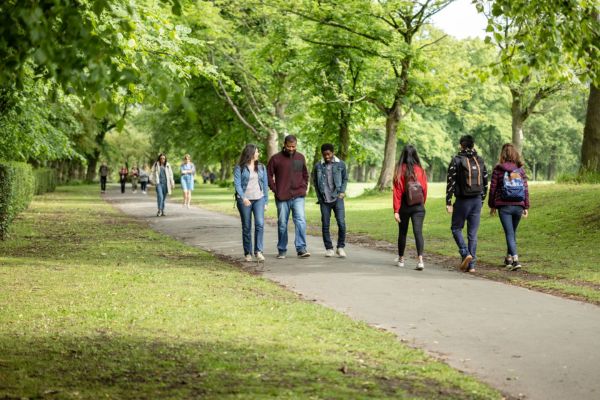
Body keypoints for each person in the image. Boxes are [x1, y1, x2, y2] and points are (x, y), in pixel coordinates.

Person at [445, 135, 488, 273]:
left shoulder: (456, 160)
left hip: (462, 201)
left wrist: (448, 201)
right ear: (473, 145)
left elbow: (450, 181)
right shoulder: (480, 160)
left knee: (456, 228)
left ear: (461, 145)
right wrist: (481, 202)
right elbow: (485, 183)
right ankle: (472, 266)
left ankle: (465, 253)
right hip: (476, 200)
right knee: (472, 234)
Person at [488, 143, 530, 271]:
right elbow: (525, 189)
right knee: (511, 233)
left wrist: (492, 205)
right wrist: (526, 206)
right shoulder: (520, 170)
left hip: (504, 206)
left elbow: (493, 188)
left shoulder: (498, 170)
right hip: (518, 205)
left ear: (502, 155)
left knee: (509, 233)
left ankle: (516, 260)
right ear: (515, 154)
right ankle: (509, 258)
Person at [267, 135, 310, 258]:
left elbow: (304, 174)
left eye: (294, 146)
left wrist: (304, 187)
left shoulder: (300, 157)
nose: (291, 149)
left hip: (298, 196)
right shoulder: (276, 159)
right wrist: (275, 189)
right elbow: (268, 175)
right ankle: (282, 250)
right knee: (282, 223)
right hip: (282, 197)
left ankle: (301, 248)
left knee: (301, 221)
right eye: (289, 146)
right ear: (284, 144)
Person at [393, 145, 428, 270]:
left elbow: (397, 192)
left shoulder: (399, 170)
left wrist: (396, 210)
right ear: (415, 155)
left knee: (402, 232)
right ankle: (420, 260)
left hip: (404, 206)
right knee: (418, 232)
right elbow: (424, 189)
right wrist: (422, 203)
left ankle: (401, 259)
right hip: (418, 206)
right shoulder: (420, 170)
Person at [233, 144, 269, 262]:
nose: (258, 154)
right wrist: (243, 198)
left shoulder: (262, 167)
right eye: (256, 152)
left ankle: (258, 251)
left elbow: (264, 185)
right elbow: (237, 184)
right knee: (247, 226)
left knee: (260, 224)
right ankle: (247, 253)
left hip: (259, 199)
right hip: (245, 200)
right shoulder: (240, 167)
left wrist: (266, 201)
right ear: (250, 153)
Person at [312, 143, 348, 258]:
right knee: (325, 225)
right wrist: (319, 198)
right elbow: (315, 183)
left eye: (329, 154)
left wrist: (342, 191)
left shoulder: (341, 164)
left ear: (333, 153)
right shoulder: (318, 166)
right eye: (324, 154)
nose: (327, 157)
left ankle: (340, 247)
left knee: (341, 223)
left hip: (337, 198)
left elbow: (345, 178)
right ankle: (329, 248)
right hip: (324, 200)